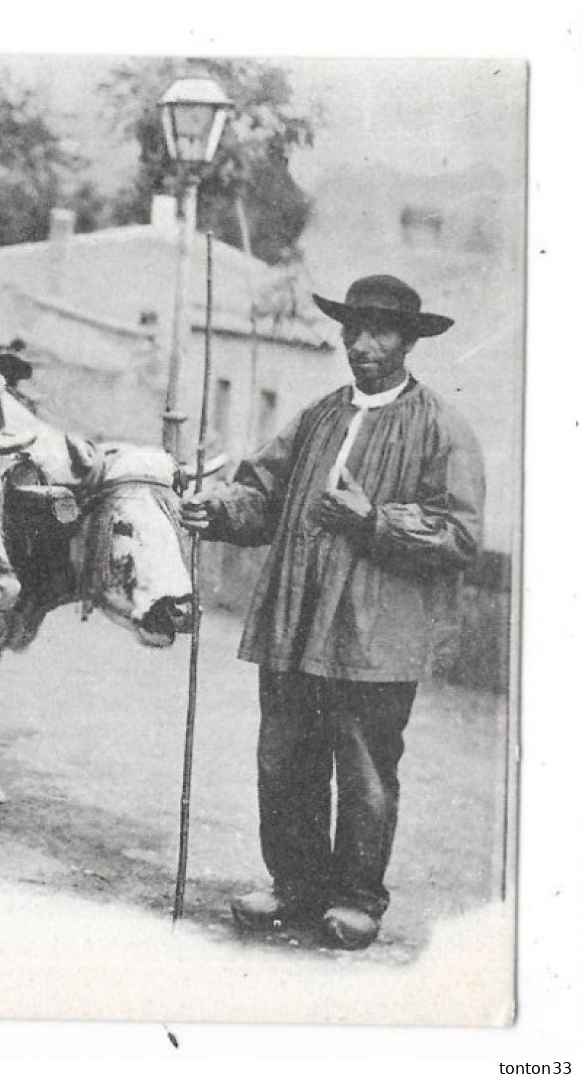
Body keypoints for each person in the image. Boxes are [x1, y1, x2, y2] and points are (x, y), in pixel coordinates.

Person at [179, 274, 485, 950]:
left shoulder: (439, 427)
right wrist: (218, 511)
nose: (363, 345)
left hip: (372, 638)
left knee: (365, 768)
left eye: (380, 332)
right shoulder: (319, 416)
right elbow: (260, 492)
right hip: (293, 624)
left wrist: (372, 520)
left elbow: (459, 535)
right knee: (282, 760)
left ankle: (355, 898)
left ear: (407, 341)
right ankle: (293, 885)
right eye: (353, 330)